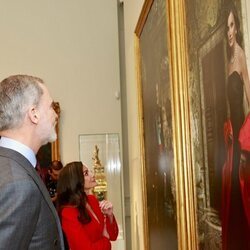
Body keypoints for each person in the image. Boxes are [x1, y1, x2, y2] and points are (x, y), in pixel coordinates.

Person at [0, 75, 65, 249]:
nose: (55, 114)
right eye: (50, 106)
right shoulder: (18, 184)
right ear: (34, 114)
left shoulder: (11, 165)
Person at [222, 4, 250, 249]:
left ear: (238, 27)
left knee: (241, 192)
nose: (229, 31)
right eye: (226, 27)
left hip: (243, 137)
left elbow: (249, 99)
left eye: (232, 25)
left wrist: (244, 135)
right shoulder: (228, 60)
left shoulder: (240, 55)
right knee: (232, 195)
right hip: (233, 137)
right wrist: (228, 126)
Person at [57, 161, 119, 250]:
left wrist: (110, 216)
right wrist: (105, 239)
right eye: (86, 173)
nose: (92, 175)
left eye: (89, 171)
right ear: (76, 181)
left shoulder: (92, 200)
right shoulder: (68, 212)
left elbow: (113, 235)